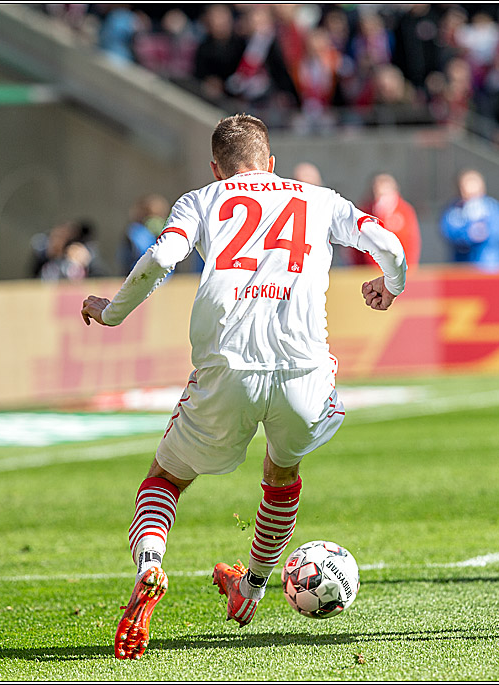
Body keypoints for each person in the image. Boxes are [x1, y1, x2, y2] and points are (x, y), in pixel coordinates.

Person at [81, 114, 407, 659]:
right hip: (304, 369)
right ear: (271, 161)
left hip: (225, 363)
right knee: (282, 473)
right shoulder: (317, 197)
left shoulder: (201, 200)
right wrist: (389, 286)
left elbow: (162, 258)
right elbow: (388, 244)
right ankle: (251, 588)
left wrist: (113, 313)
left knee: (165, 478)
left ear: (217, 168)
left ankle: (152, 566)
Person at [439, 169, 499, 271]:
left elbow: (498, 233)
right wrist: (467, 234)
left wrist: (481, 234)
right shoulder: (453, 210)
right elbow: (447, 231)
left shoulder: (492, 207)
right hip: (461, 266)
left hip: (489, 266)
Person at [350, 173, 420, 267]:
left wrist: (409, 268)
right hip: (370, 270)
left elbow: (412, 242)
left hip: (398, 269)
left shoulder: (404, 211)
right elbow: (355, 243)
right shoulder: (365, 211)